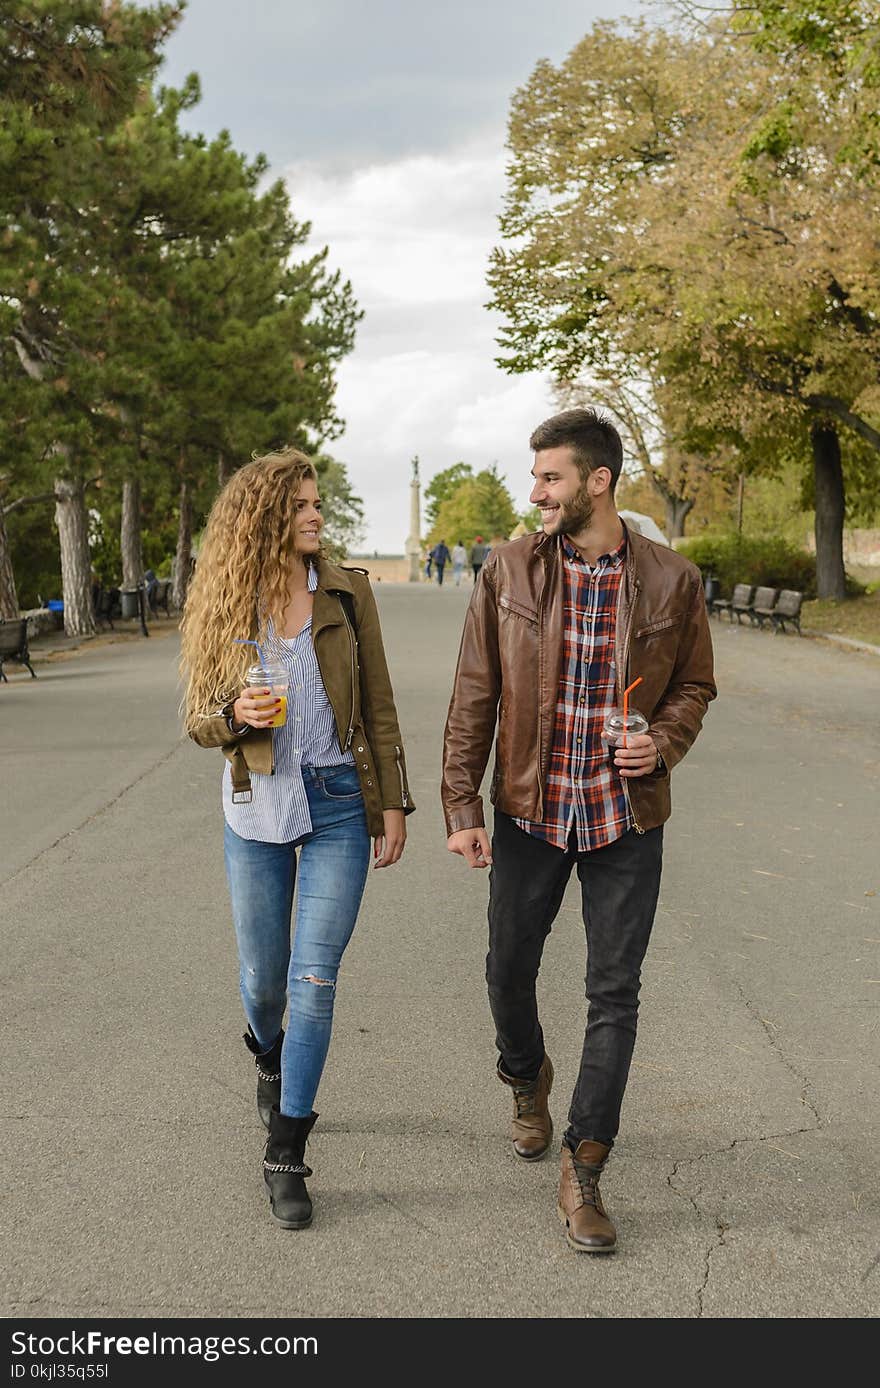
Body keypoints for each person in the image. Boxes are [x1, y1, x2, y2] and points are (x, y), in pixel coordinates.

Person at [441, 408, 715, 1254]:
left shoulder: (672, 580)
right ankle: (525, 1077)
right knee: (507, 967)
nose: (537, 493)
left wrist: (659, 741)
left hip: (625, 819)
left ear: (598, 482)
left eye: (551, 477)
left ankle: (584, 1164)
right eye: (537, 478)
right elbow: (474, 689)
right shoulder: (510, 570)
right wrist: (462, 806)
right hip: (530, 809)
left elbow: (696, 686)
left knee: (614, 993)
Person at [180, 447, 414, 1230]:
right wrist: (233, 719)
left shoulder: (347, 594)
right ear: (265, 517)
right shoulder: (226, 601)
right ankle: (267, 1055)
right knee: (265, 977)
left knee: (315, 978)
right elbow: (195, 719)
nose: (316, 514)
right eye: (302, 504)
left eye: (318, 503)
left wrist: (395, 804)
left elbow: (378, 703)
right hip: (255, 804)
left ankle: (287, 1148)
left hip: (341, 800)